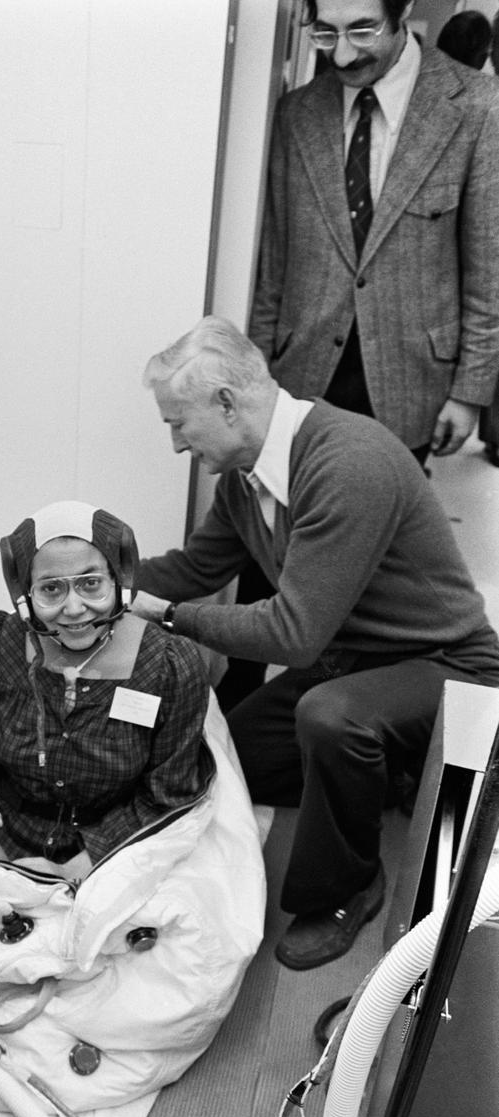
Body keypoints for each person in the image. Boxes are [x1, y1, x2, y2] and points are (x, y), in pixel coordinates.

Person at [131, 316, 499, 970]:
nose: (174, 445)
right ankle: (387, 774)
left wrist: (168, 616)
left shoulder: (346, 463)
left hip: (448, 665)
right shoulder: (246, 478)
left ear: (226, 403)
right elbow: (194, 569)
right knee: (233, 753)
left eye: (176, 423)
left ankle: (346, 887)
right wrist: (94, 577)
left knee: (328, 719)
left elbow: (292, 635)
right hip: (354, 663)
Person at [225, 0, 499, 714]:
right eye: (323, 33)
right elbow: (275, 264)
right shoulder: (298, 112)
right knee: (273, 536)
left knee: (372, 557)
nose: (341, 55)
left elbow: (487, 261)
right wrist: (252, 369)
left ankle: (353, 709)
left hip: (409, 373)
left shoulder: (473, 105)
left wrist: (470, 387)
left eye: (360, 32)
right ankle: (248, 695)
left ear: (402, 12)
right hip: (301, 362)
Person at [0, 499, 215, 875]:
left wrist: (73, 869)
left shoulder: (169, 665)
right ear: (25, 595)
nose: (73, 608)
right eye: (51, 589)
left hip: (118, 848)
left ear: (119, 580)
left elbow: (169, 793)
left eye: (91, 584)